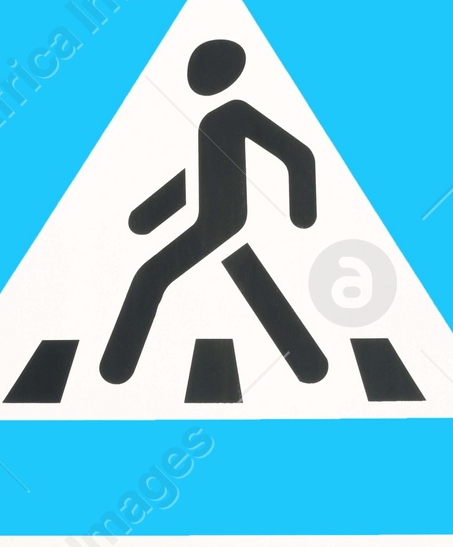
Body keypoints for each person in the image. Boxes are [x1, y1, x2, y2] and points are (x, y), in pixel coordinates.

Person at [100, 37, 321, 385]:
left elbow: (297, 155)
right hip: (216, 220)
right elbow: (196, 178)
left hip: (224, 220)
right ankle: (309, 362)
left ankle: (116, 367)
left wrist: (302, 210)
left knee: (151, 276)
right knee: (253, 282)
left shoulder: (235, 113)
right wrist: (149, 215)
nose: (194, 80)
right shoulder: (212, 120)